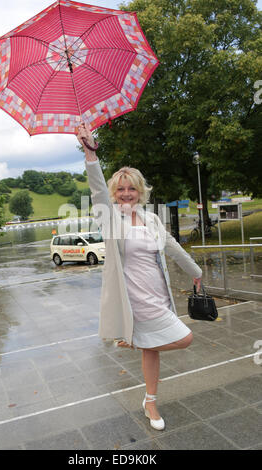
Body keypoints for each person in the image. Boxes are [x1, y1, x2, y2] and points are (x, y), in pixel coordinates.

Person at [76, 123, 202, 431]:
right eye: (120, 189)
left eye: (131, 188)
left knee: (152, 350)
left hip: (159, 295)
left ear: (140, 190)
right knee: (185, 338)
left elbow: (172, 247)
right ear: (114, 193)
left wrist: (196, 272)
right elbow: (96, 191)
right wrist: (90, 153)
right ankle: (131, 338)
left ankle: (150, 401)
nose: (126, 193)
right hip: (136, 300)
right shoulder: (111, 219)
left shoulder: (151, 218)